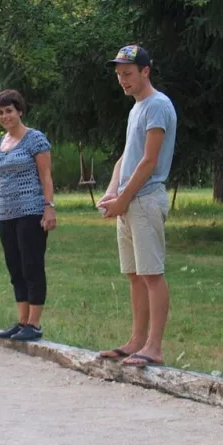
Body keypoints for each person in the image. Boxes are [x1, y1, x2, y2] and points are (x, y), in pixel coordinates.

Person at [96, 45, 178, 367]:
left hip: (145, 200)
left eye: (128, 74)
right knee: (134, 274)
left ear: (146, 70)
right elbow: (126, 156)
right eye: (118, 75)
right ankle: (135, 340)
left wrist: (124, 199)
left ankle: (154, 347)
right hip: (128, 200)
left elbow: (149, 161)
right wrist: (110, 193)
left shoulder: (158, 105)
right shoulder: (136, 108)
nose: (122, 81)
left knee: (152, 274)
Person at [0, 89, 57, 340]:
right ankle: (22, 321)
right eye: (0, 112)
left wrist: (49, 207)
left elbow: (46, 176)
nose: (4, 116)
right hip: (7, 214)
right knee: (15, 267)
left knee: (32, 266)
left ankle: (34, 324)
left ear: (19, 111)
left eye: (9, 111)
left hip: (31, 211)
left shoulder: (35, 139)